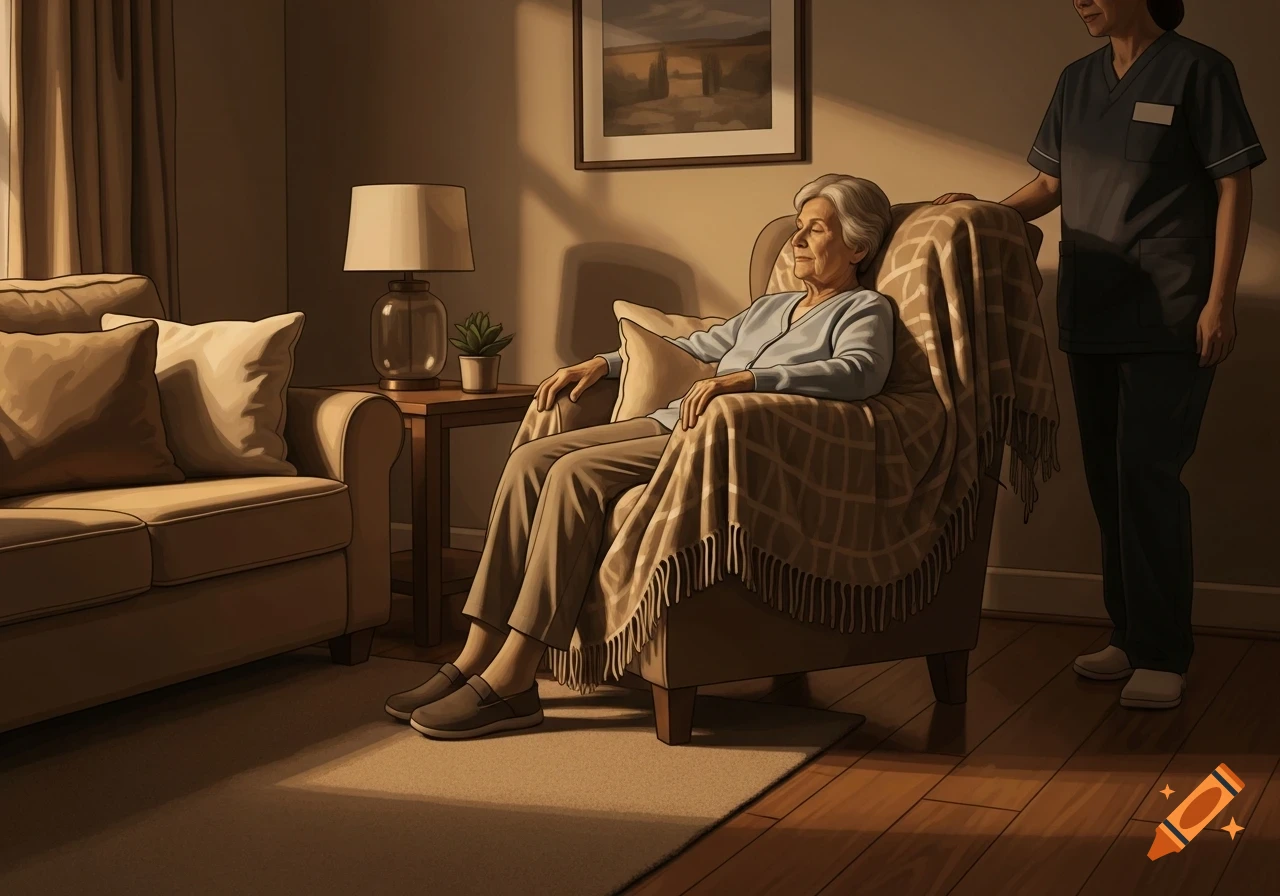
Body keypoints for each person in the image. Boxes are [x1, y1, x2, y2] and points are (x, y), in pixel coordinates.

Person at [384, 173, 898, 739]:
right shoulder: (771, 309)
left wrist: (751, 379)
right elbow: (694, 345)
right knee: (533, 459)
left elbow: (859, 374)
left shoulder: (864, 310)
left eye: (815, 229)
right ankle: (473, 655)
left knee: (574, 475)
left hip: (722, 448)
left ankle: (515, 679)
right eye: (797, 228)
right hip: (669, 426)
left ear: (857, 246)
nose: (797, 239)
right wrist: (602, 364)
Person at [936, 0, 1263, 710]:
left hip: (1172, 310)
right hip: (1091, 308)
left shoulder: (1199, 70)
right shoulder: (1075, 81)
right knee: (1109, 479)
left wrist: (1221, 299)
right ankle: (1128, 632)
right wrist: (986, 211)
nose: (1079, 1)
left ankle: (1165, 651)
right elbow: (1050, 186)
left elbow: (1233, 183)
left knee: (1149, 476)